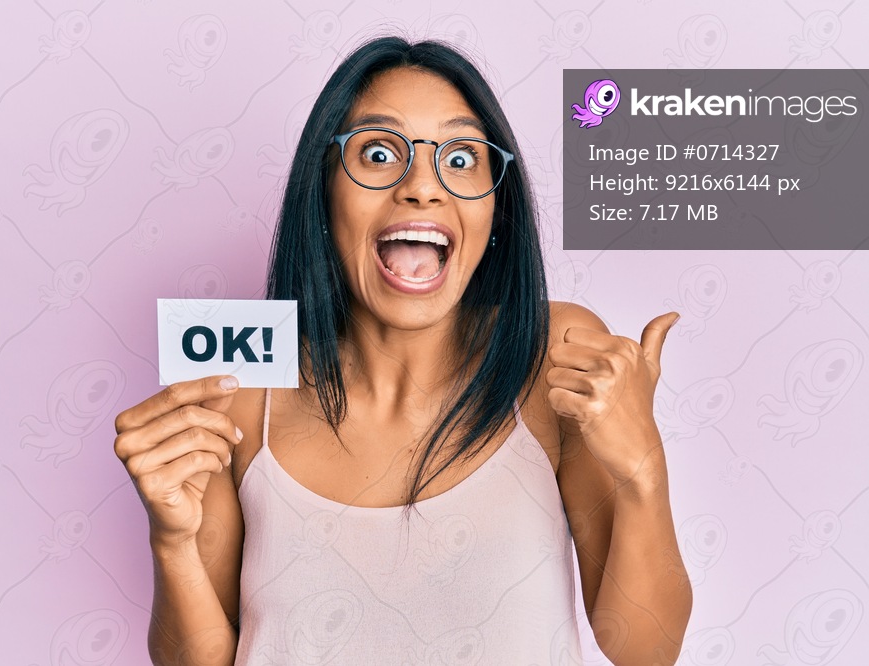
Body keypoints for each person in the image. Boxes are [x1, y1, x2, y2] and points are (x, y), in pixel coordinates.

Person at [114, 36, 692, 666]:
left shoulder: (550, 354)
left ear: (498, 206)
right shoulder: (244, 387)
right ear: (325, 189)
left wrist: (643, 472)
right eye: (380, 152)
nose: (422, 187)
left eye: (463, 158)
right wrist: (172, 541)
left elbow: (645, 649)